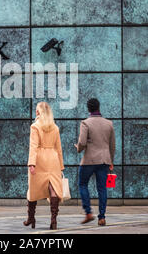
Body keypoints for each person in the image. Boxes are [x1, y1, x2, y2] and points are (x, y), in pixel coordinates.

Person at [74, 98, 115, 226]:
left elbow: (82, 142)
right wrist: (111, 161)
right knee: (102, 189)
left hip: (89, 160)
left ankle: (88, 212)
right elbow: (112, 145)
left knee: (82, 184)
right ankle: (102, 217)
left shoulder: (85, 123)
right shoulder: (109, 123)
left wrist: (78, 148)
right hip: (104, 160)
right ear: (99, 107)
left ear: (88, 109)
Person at [23, 102, 64, 230]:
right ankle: (54, 220)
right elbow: (59, 148)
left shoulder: (35, 126)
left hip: (40, 160)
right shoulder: (55, 127)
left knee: (33, 189)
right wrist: (61, 165)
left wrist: (31, 163)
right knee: (53, 189)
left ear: (38, 112)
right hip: (53, 159)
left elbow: (33, 146)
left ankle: (31, 218)